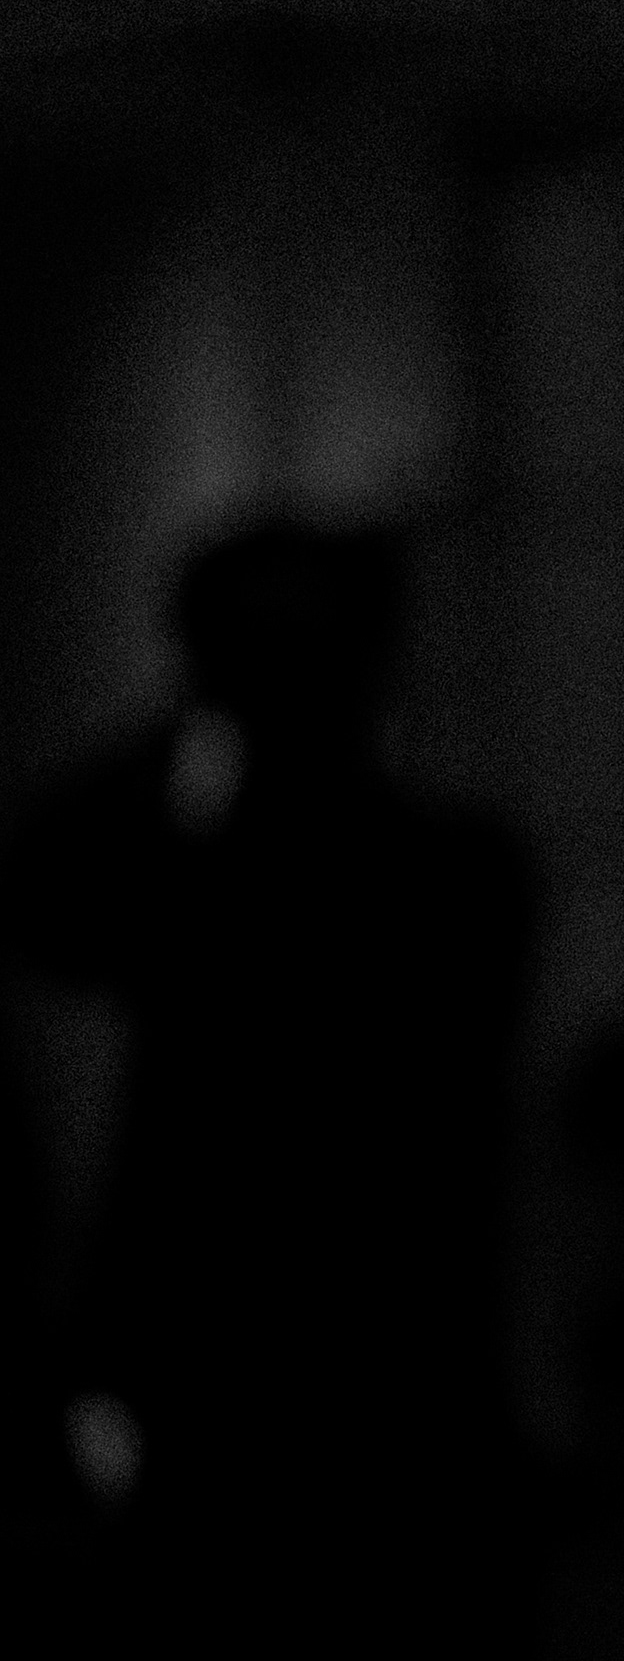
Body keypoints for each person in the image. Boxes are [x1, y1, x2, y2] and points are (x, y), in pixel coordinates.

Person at [0, 522, 534, 1656]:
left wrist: (195, 726)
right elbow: (42, 897)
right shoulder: (225, 876)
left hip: (372, 1390)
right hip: (247, 1391)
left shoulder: (439, 877)